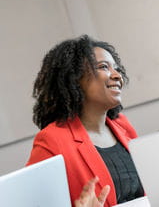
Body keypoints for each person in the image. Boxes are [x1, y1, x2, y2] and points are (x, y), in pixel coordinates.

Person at [26, 35, 144, 206]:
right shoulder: (51, 141)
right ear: (75, 79)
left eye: (116, 68)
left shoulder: (122, 125)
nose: (117, 75)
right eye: (104, 67)